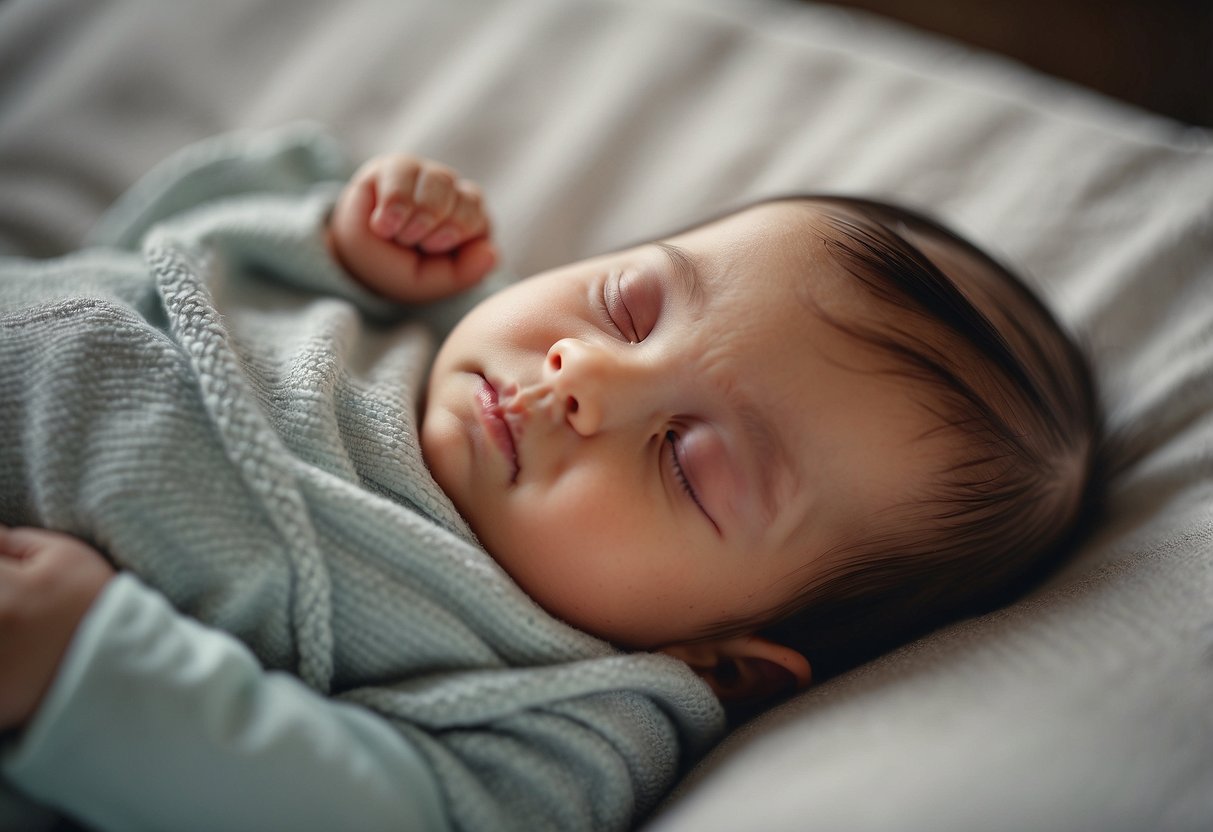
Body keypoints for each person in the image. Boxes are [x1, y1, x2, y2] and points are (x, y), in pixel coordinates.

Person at [0, 127, 1099, 831]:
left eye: (686, 457)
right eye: (628, 303)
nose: (588, 375)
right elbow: (150, 243)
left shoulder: (575, 716)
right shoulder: (411, 308)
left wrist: (94, 676)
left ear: (724, 663)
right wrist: (330, 240)